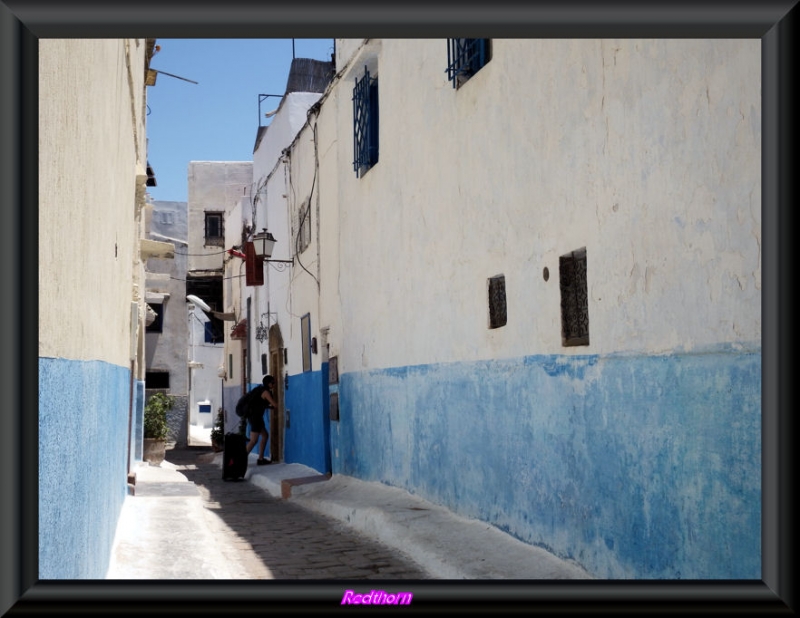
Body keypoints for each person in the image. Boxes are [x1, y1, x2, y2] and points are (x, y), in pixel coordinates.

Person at [245, 375, 278, 466]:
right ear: (268, 383)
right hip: (256, 418)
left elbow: (260, 404)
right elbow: (275, 404)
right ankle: (241, 459)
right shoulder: (266, 392)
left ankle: (260, 459)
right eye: (272, 382)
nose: (274, 384)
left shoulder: (261, 390)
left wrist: (268, 407)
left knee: (265, 435)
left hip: (255, 417)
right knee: (253, 441)